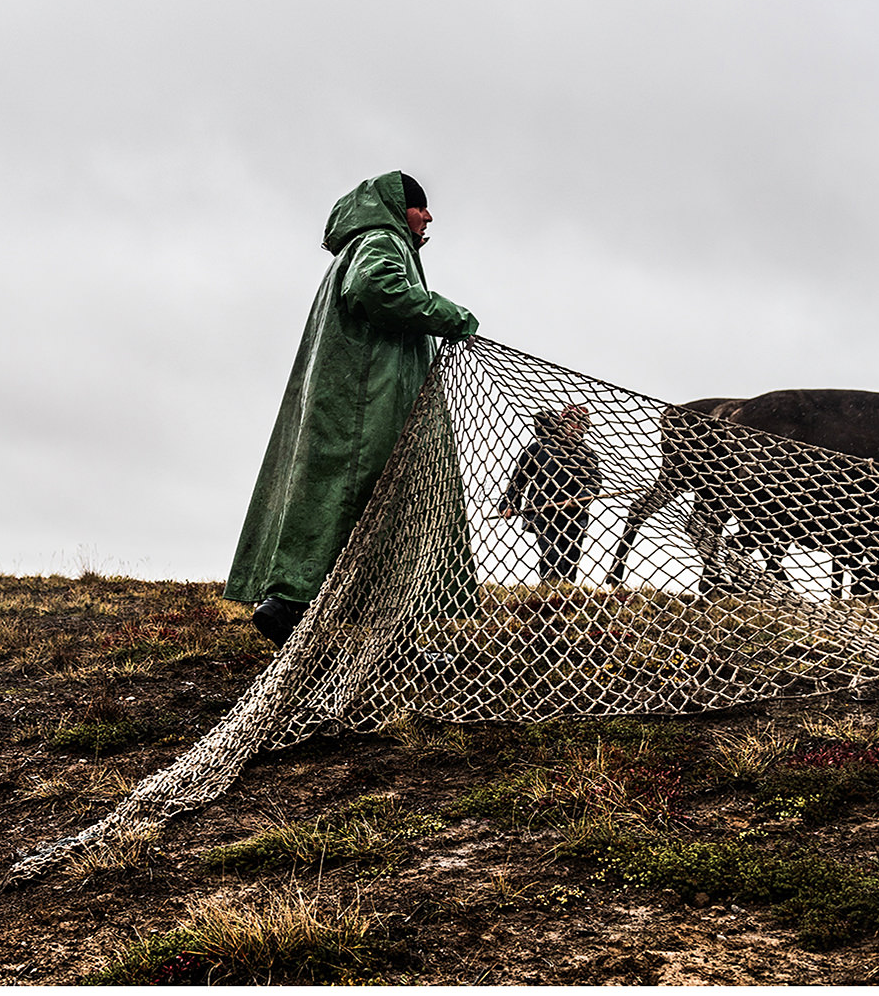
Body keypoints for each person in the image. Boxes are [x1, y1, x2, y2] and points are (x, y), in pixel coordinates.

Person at [226, 172, 478, 644]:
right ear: (400, 208)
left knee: (346, 500)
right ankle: (295, 608)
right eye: (421, 207)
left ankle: (307, 610)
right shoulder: (382, 240)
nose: (428, 217)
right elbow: (377, 291)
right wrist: (454, 317)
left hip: (350, 398)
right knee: (379, 501)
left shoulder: (356, 247)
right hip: (371, 401)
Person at [497, 404, 605, 585]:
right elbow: (519, 478)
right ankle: (551, 589)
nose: (575, 428)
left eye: (581, 424)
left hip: (573, 516)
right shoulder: (539, 449)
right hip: (542, 511)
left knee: (571, 558)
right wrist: (508, 503)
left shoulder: (588, 455)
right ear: (562, 422)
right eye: (571, 422)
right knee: (552, 554)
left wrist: (579, 498)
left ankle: (564, 593)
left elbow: (594, 482)